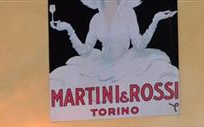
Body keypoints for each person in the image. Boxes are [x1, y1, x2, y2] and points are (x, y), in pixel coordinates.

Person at [50, 0, 178, 84]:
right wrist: (69, 29)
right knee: (61, 77)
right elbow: (85, 51)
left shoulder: (129, 13)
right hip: (101, 64)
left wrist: (155, 20)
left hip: (126, 62)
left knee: (162, 72)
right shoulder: (96, 19)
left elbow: (139, 46)